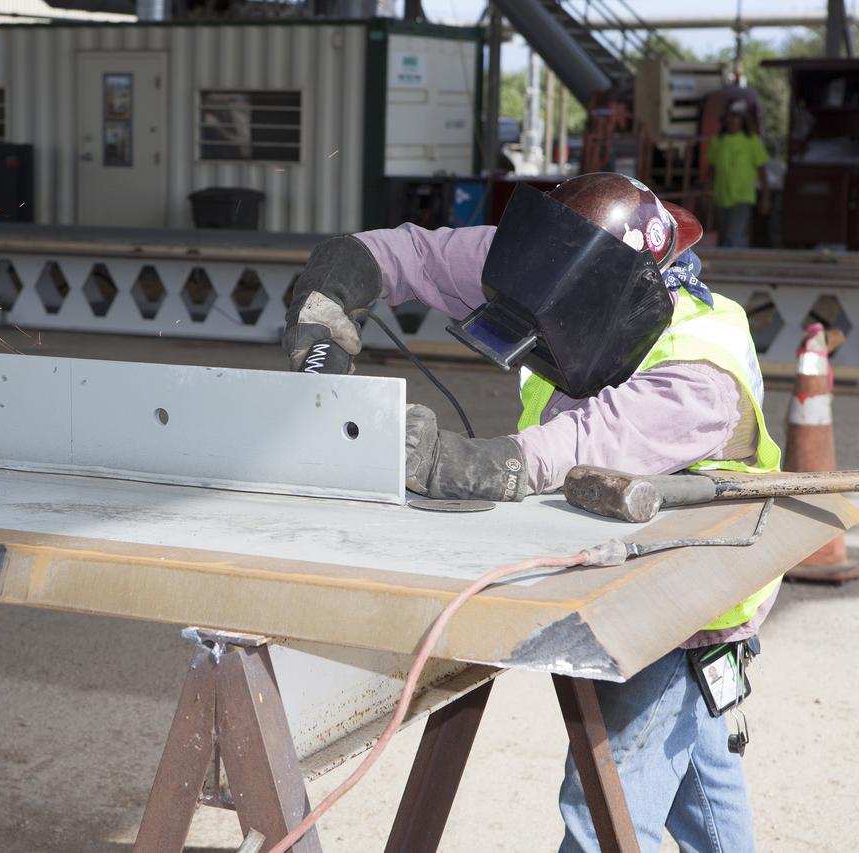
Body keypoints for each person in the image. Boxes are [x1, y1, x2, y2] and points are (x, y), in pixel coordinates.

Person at [283, 172, 780, 851]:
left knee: (603, 812)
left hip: (678, 606)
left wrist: (454, 461)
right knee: (700, 795)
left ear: (616, 293)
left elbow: (567, 447)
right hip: (625, 582)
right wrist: (346, 274)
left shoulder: (699, 377)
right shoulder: (570, 267)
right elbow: (422, 257)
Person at [707, 100, 771, 247]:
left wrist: (765, 198)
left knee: (733, 235)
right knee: (723, 236)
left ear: (743, 119)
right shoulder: (718, 141)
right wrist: (706, 190)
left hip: (743, 198)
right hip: (721, 197)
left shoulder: (752, 141)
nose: (731, 120)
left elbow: (762, 171)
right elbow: (712, 168)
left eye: (735, 116)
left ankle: (733, 265)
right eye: (728, 117)